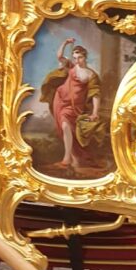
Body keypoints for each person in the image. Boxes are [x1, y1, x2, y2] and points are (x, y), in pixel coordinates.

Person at [40, 38, 104, 172]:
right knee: (64, 126)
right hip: (61, 100)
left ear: (85, 57)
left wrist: (95, 113)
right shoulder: (71, 66)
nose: (77, 61)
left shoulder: (91, 74)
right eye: (75, 58)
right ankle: (67, 159)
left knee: (71, 131)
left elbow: (95, 94)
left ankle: (75, 159)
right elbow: (59, 56)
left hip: (76, 106)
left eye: (79, 57)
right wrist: (65, 43)